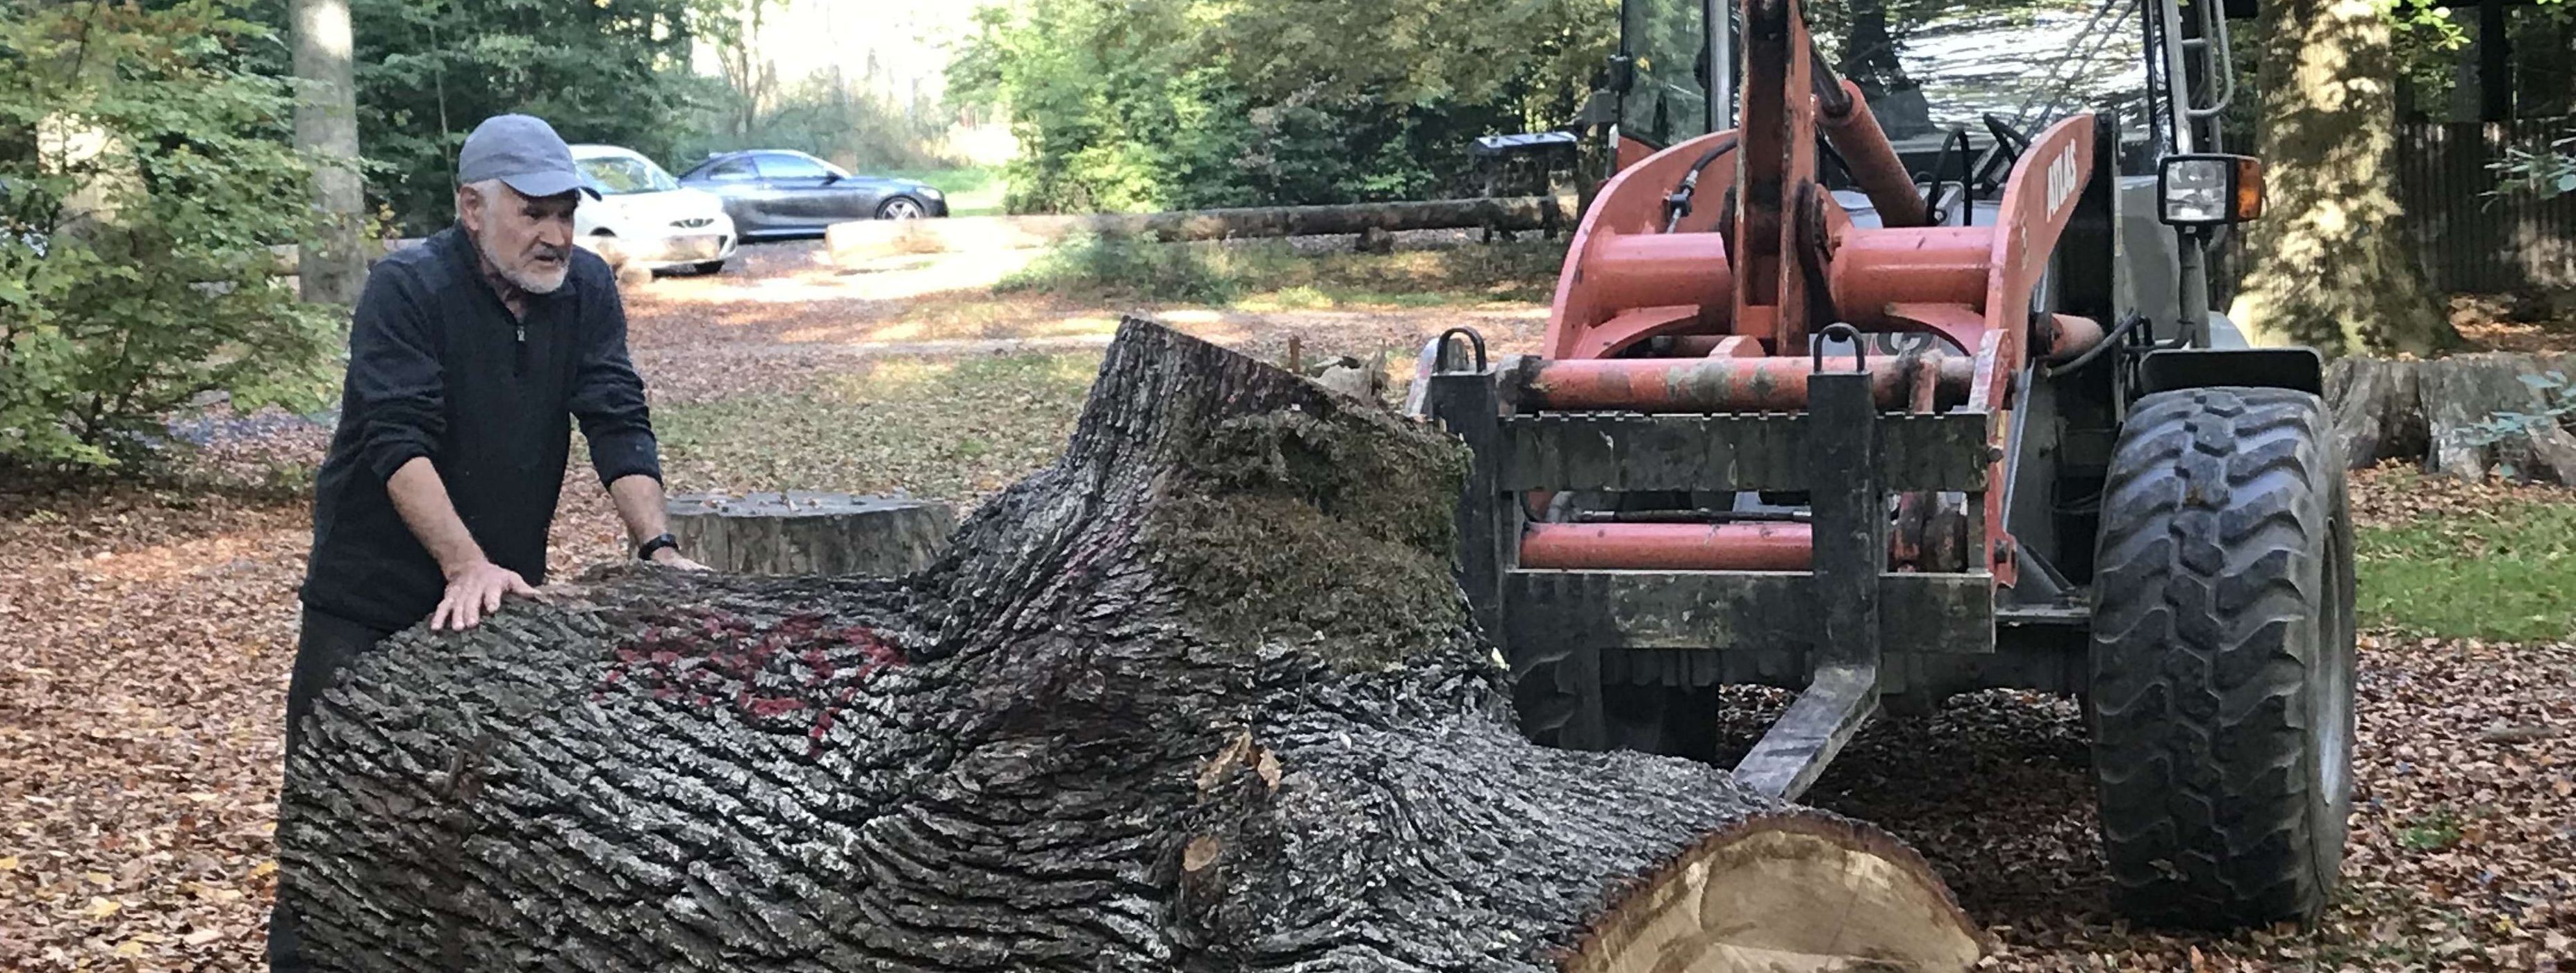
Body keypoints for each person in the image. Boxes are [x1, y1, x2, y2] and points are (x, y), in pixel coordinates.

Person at [267, 113, 704, 970]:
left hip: (502, 604)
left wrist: (657, 549)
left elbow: (614, 412)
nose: (555, 235)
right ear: (473, 206)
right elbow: (395, 440)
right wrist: (460, 563)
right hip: (369, 600)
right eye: (532, 213)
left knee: (478, 837)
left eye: (566, 214)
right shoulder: (408, 287)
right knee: (331, 832)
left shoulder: (584, 289)